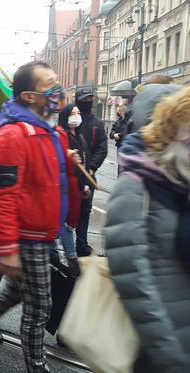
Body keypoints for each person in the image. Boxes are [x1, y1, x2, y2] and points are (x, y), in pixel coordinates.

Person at [0, 61, 80, 373]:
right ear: (28, 96)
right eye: (48, 84)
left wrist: (64, 158)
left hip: (42, 233)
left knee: (10, 293)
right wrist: (8, 248)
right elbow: (2, 196)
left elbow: (41, 179)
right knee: (39, 308)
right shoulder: (12, 136)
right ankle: (37, 367)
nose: (56, 89)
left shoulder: (45, 130)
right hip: (28, 236)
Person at [103, 86, 190, 372]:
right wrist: (167, 352)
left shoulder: (183, 182)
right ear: (173, 127)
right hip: (166, 348)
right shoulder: (138, 185)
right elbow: (132, 279)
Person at [74, 87, 107, 257]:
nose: (88, 102)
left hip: (89, 174)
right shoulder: (71, 120)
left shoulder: (97, 124)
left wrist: (92, 168)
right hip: (71, 174)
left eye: (90, 99)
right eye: (84, 99)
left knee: (85, 209)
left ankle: (81, 243)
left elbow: (102, 148)